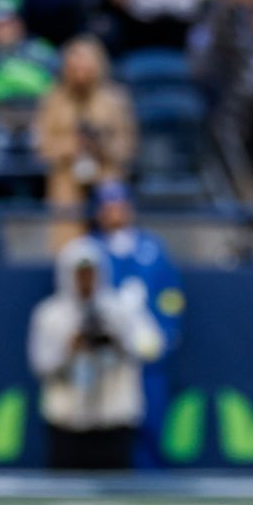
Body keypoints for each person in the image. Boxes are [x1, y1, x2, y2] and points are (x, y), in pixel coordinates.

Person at [28, 238, 164, 469]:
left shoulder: (121, 309)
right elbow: (40, 364)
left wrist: (121, 343)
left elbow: (152, 347)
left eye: (91, 273)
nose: (86, 280)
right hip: (67, 421)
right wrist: (69, 349)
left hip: (114, 419)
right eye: (80, 273)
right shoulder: (50, 314)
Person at [91, 181, 185, 468]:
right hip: (111, 355)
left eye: (119, 205)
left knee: (153, 419)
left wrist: (167, 332)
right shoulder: (91, 249)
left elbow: (170, 295)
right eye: (109, 206)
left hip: (148, 349)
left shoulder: (151, 247)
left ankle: (152, 474)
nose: (115, 212)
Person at [34, 35, 137, 251]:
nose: (80, 75)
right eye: (74, 69)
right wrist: (72, 145)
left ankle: (118, 258)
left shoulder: (115, 100)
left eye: (86, 69)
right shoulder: (53, 99)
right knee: (64, 197)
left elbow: (127, 146)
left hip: (106, 171)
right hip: (67, 174)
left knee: (114, 193)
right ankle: (67, 259)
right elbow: (41, 146)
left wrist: (101, 145)